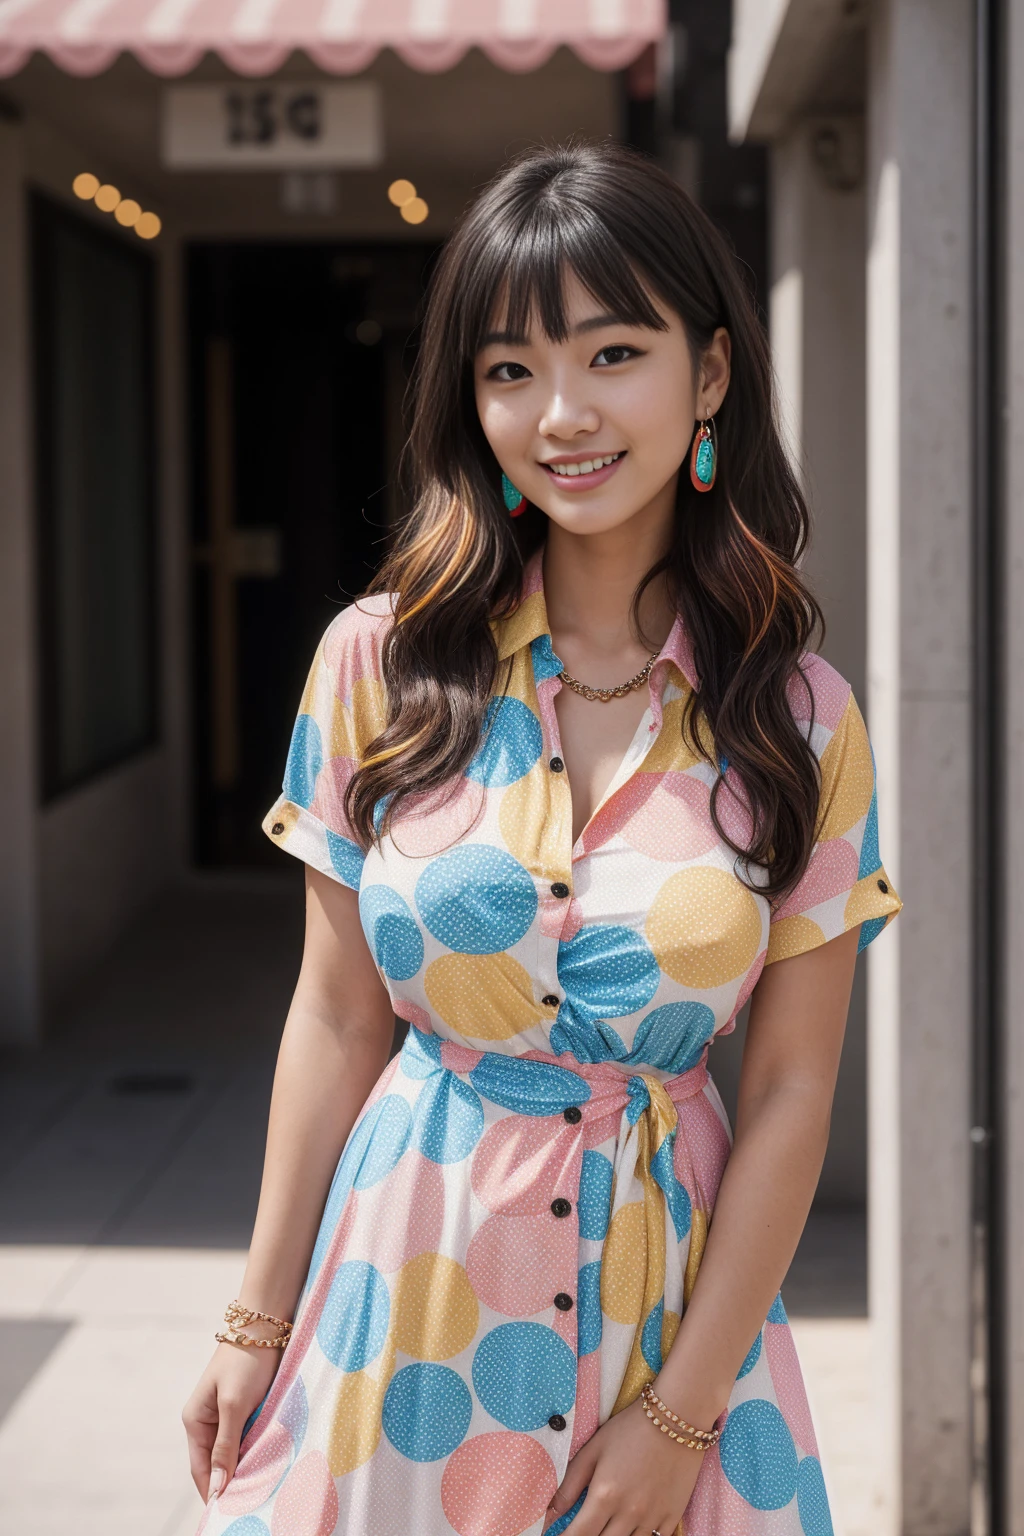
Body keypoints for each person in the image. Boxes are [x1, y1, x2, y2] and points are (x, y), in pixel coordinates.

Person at [182, 140, 901, 1536]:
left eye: (612, 353)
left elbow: (795, 1093)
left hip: (668, 1328)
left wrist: (681, 1417)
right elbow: (336, 1019)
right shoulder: (377, 665)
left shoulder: (798, 716)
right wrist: (253, 1320)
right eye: (510, 368)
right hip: (403, 1307)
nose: (560, 412)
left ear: (707, 375)